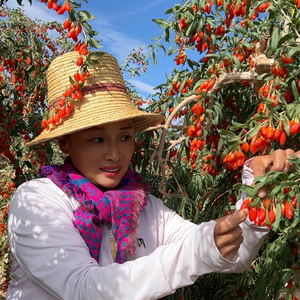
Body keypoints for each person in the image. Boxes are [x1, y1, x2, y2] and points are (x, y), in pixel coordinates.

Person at [6, 51, 299, 300]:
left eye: (125, 137)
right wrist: (197, 251)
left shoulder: (144, 207)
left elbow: (232, 256)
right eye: (97, 139)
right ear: (64, 142)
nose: (115, 154)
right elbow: (84, 288)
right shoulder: (37, 201)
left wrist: (259, 193)